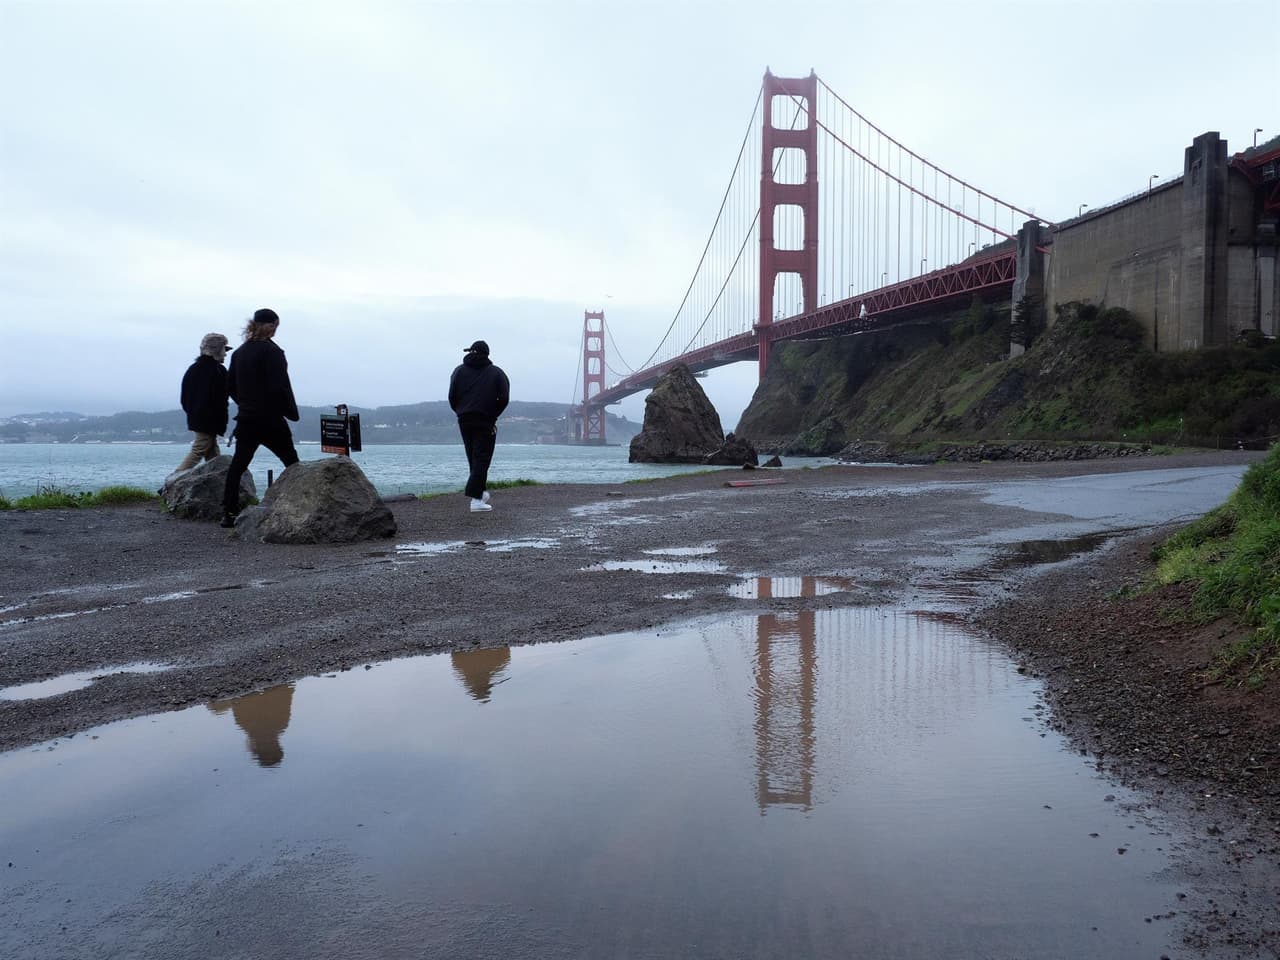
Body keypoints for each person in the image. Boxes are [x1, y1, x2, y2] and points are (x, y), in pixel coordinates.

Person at [221, 308, 300, 528]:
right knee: (292, 464)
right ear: (270, 325)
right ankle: (300, 505)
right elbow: (280, 386)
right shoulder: (273, 352)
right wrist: (288, 411)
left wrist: (246, 404)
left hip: (247, 418)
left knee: (238, 466)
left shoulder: (239, 353)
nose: (275, 330)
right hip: (270, 418)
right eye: (275, 326)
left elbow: (230, 387)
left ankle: (228, 513)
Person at [448, 340, 509, 512]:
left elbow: (452, 396)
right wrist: (493, 415)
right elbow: (504, 398)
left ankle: (480, 493)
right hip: (485, 420)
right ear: (487, 354)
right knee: (482, 458)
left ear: (471, 352)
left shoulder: (458, 371)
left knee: (473, 457)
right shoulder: (497, 373)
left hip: (464, 419)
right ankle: (475, 500)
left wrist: (461, 411)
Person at [174, 333, 230, 472]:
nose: (225, 354)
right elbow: (219, 397)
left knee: (213, 452)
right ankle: (171, 482)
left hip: (199, 418)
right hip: (208, 420)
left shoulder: (194, 369)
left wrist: (193, 413)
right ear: (217, 350)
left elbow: (185, 398)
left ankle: (219, 479)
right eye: (224, 350)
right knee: (199, 449)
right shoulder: (217, 370)